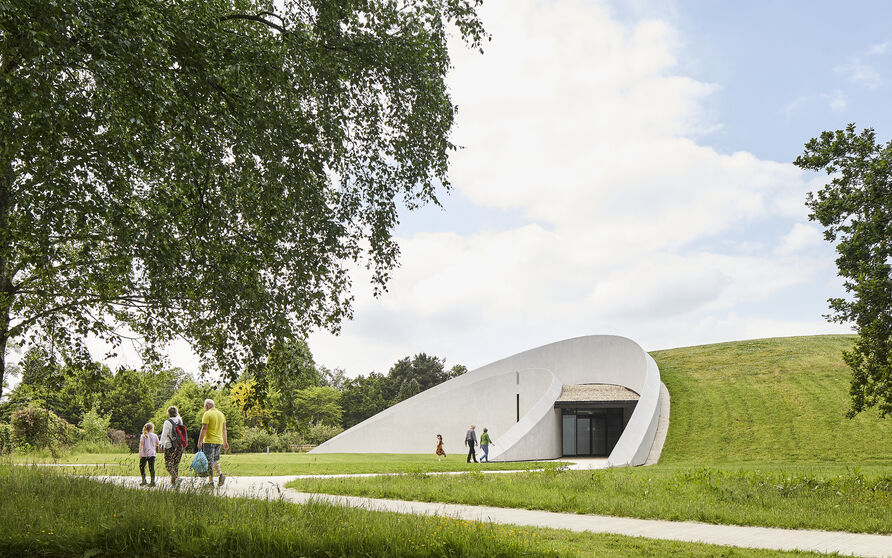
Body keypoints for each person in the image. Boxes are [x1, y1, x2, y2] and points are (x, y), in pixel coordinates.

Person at [197, 398, 229, 487]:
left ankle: (211, 483)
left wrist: (199, 441)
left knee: (209, 462)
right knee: (215, 460)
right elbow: (224, 429)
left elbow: (204, 428)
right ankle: (221, 475)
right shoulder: (221, 414)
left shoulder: (207, 414)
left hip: (209, 441)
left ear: (207, 406)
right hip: (219, 441)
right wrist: (225, 442)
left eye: (205, 406)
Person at [160, 405, 185, 487]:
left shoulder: (167, 422)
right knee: (175, 465)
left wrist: (161, 445)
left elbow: (164, 435)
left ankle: (176, 479)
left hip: (170, 446)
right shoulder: (180, 420)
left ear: (168, 413)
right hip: (180, 446)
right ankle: (174, 484)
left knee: (168, 465)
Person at [138, 422, 160, 487]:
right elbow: (158, 444)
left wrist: (140, 453)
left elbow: (141, 445)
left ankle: (143, 480)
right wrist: (153, 445)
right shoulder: (155, 435)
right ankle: (152, 481)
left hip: (144, 454)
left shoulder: (143, 435)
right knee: (151, 467)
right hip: (152, 453)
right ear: (151, 429)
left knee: (142, 467)